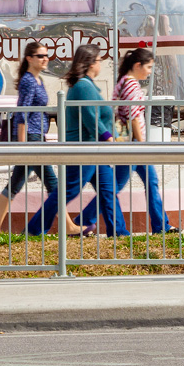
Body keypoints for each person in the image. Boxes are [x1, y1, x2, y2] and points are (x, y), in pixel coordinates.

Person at [25, 44, 129, 238]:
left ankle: (119, 231)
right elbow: (91, 118)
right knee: (66, 192)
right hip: (84, 149)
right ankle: (33, 230)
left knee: (108, 190)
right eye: (99, 61)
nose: (100, 65)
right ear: (90, 63)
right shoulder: (83, 86)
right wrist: (109, 139)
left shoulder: (87, 85)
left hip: (93, 148)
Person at [0, 42, 82, 236]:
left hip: (37, 136)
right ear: (30, 58)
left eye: (46, 55)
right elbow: (23, 111)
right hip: (31, 138)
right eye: (40, 56)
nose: (45, 58)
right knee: (51, 182)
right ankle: (69, 227)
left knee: (16, 184)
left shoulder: (37, 80)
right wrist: (23, 144)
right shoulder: (29, 81)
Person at [104, 47, 178, 234]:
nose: (150, 71)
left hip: (132, 144)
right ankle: (84, 221)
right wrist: (141, 144)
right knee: (113, 188)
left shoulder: (125, 82)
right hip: (134, 145)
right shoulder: (130, 84)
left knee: (151, 182)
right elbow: (133, 115)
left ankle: (161, 226)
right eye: (149, 67)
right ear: (138, 65)